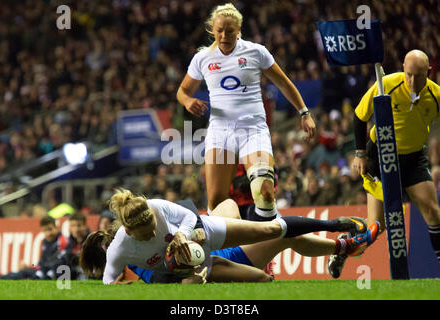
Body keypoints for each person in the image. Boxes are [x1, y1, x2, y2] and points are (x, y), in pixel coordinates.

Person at [176, 3, 316, 222]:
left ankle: (265, 248)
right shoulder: (202, 59)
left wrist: (304, 113)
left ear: (238, 30)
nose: (224, 35)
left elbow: (284, 83)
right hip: (220, 132)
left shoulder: (255, 52)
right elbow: (183, 90)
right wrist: (187, 101)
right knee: (216, 203)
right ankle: (226, 253)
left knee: (265, 191)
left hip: (253, 129)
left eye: (229, 31)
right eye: (219, 30)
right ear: (212, 29)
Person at [86, 188, 368, 284]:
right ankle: (342, 246)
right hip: (218, 260)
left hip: (207, 238)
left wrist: (186, 235)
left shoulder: (154, 209)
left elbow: (187, 213)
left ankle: (336, 228)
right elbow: (187, 277)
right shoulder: (139, 265)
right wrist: (196, 273)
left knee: (234, 208)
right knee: (276, 251)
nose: (151, 236)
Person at [328, 49, 440, 278]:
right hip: (382, 156)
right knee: (376, 227)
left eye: (418, 75)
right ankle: (343, 246)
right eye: (408, 74)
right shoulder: (386, 84)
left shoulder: (436, 95)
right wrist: (360, 154)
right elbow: (359, 117)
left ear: (429, 72)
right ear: (403, 68)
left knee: (433, 212)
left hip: (414, 158)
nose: (412, 81)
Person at [0, 216, 68, 280]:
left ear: (56, 228)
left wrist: (41, 271)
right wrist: (31, 267)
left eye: (50, 229)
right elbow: (42, 263)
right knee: (22, 272)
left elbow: (59, 263)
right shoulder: (46, 241)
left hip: (53, 272)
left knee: (29, 275)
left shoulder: (62, 241)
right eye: (45, 230)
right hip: (43, 270)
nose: (48, 233)